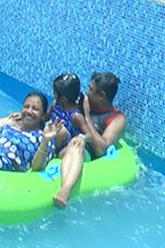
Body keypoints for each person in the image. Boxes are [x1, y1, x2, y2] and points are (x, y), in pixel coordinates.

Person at [53, 72, 126, 208]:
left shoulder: (117, 119)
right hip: (60, 145)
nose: (87, 92)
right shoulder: (78, 102)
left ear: (101, 96)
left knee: (76, 145)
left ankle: (65, 190)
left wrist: (86, 116)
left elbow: (100, 151)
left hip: (81, 153)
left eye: (91, 89)